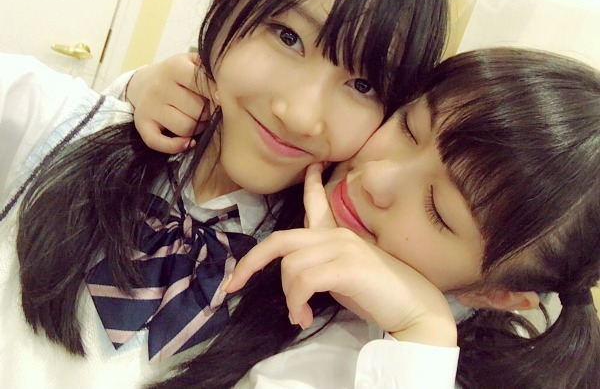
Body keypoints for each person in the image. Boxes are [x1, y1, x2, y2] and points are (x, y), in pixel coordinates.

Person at [0, 0, 450, 388]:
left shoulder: (328, 313)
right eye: (288, 37)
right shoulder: (51, 123)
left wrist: (427, 331)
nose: (300, 115)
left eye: (363, 85)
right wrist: (126, 93)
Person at [131, 48, 600, 389]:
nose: (375, 177)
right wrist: (142, 91)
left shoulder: (426, 367)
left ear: (496, 294)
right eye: (409, 128)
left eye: (438, 210)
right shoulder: (289, 176)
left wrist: (422, 333)